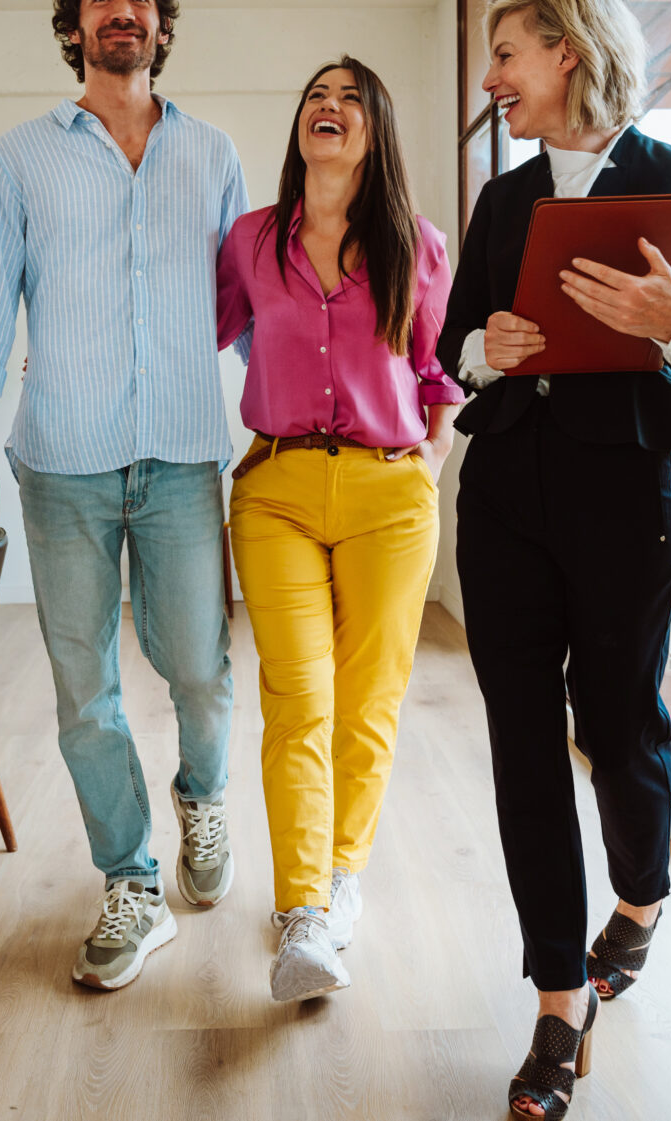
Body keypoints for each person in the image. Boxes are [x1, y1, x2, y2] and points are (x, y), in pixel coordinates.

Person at [436, 0, 671, 1119]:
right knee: (524, 747)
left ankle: (643, 893)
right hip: (506, 494)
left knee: (617, 727)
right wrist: (490, 345)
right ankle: (558, 1004)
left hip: (624, 489)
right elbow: (449, 342)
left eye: (507, 54)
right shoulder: (501, 199)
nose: (492, 80)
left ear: (567, 53)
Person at [0, 0, 248, 992]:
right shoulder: (22, 157)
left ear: (162, 27)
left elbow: (246, 307)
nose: (121, 12)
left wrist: (307, 415)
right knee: (86, 693)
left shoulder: (210, 155)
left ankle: (203, 799)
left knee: (202, 669)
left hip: (180, 455)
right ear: (74, 28)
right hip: (62, 459)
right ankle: (129, 881)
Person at [216, 57, 461, 1003]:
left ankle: (340, 872)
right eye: (316, 95)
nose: (329, 107)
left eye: (351, 99)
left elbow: (440, 370)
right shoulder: (249, 240)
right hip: (274, 488)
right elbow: (205, 328)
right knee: (298, 692)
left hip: (389, 495)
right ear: (300, 126)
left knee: (369, 699)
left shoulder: (418, 245)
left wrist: (429, 462)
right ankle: (302, 913)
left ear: (376, 131)